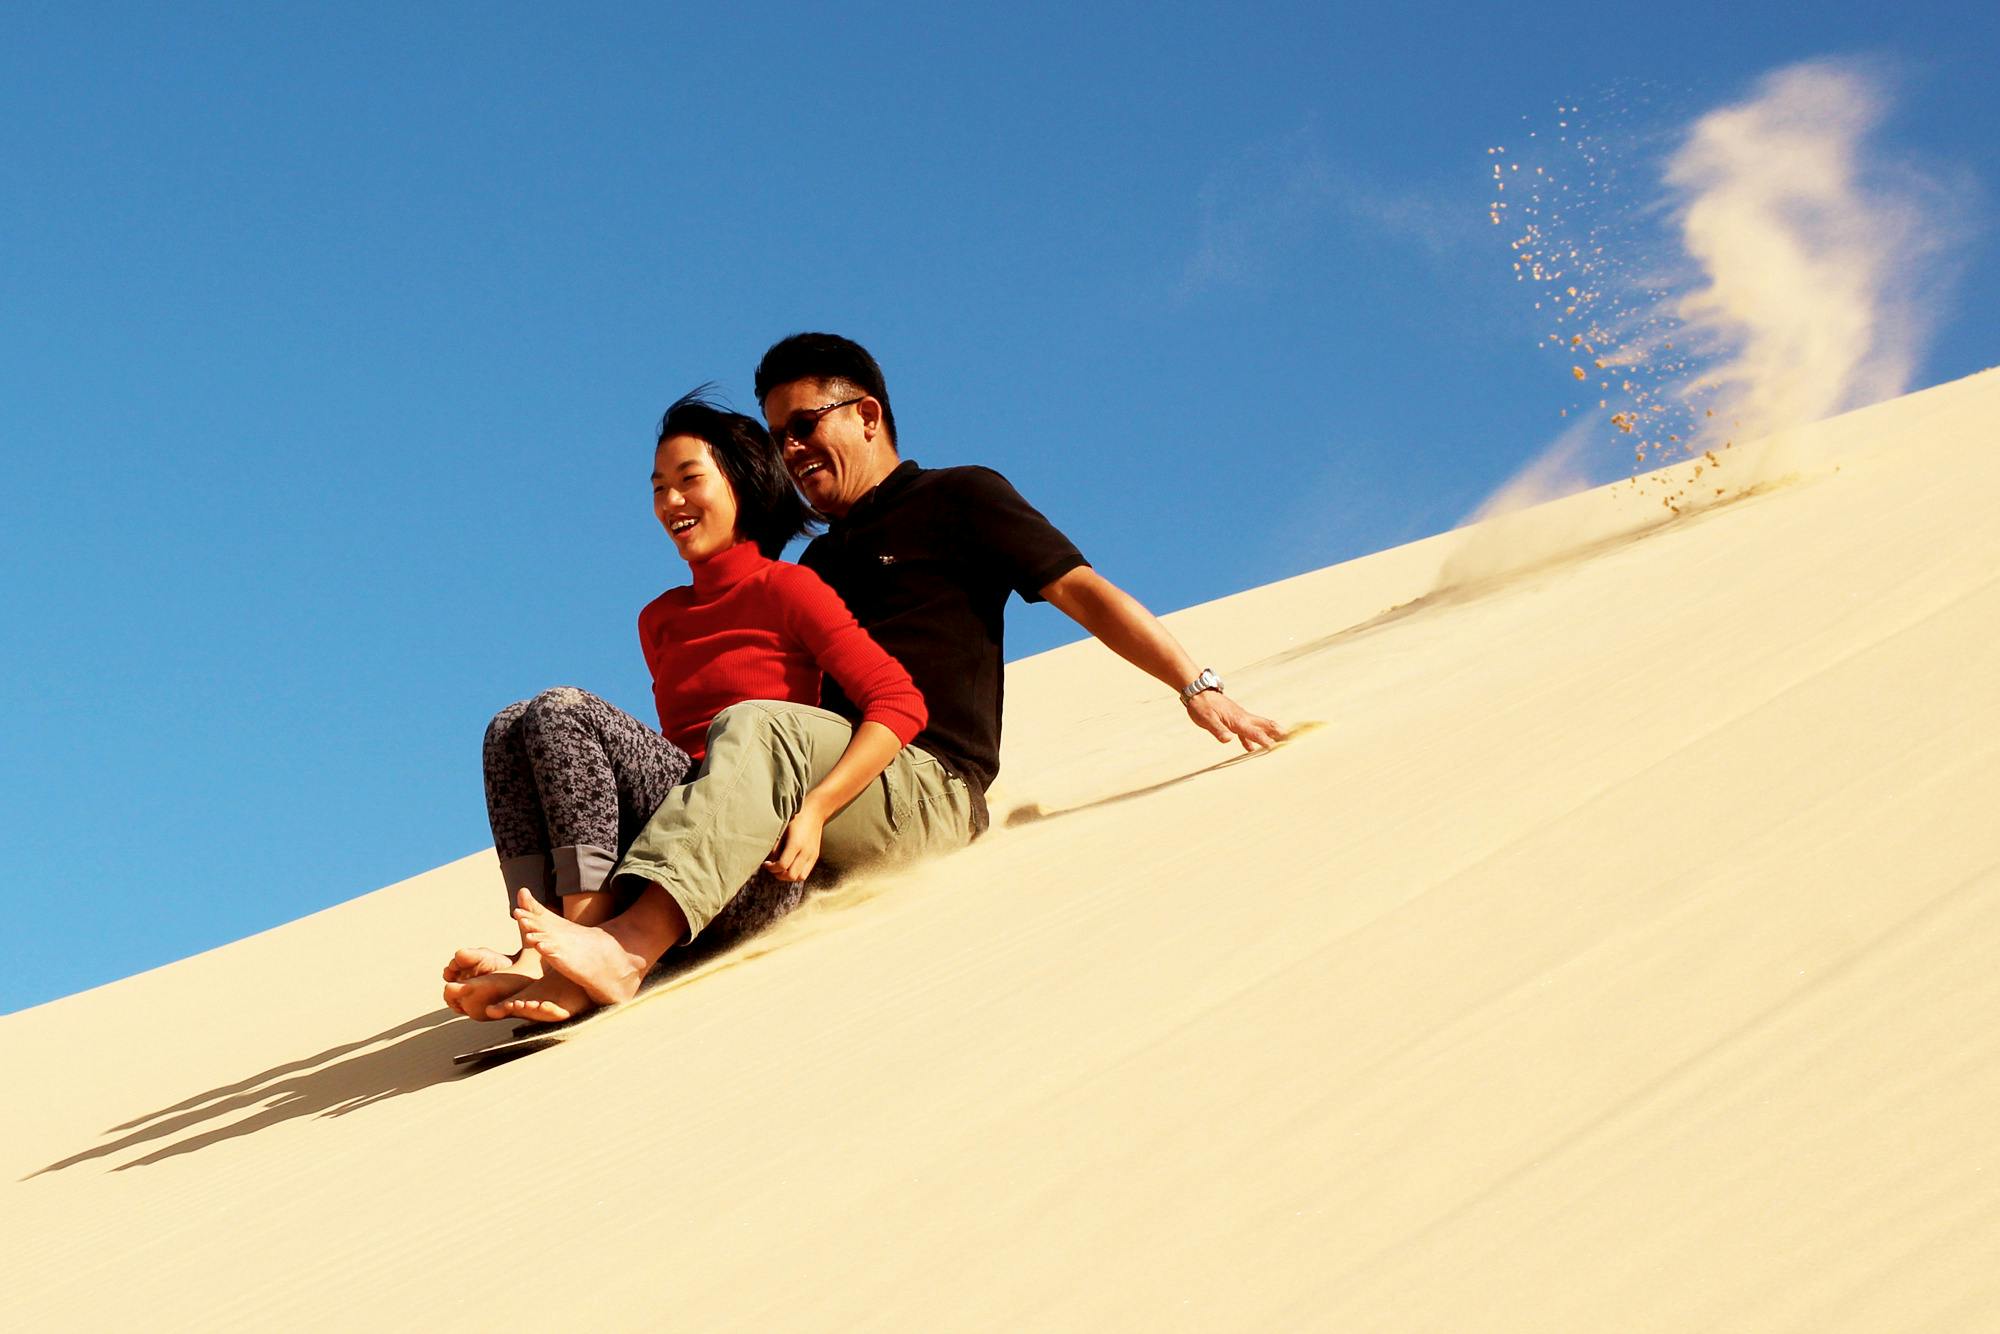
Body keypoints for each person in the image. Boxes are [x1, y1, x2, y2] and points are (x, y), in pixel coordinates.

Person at [502, 334, 1285, 1015]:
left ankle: (628, 948)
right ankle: (567, 948)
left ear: (867, 415)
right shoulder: (814, 563)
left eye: (804, 426)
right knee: (540, 725)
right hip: (825, 794)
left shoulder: (959, 497)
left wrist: (1195, 684)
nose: (791, 450)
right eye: (777, 438)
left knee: (756, 724)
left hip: (929, 788)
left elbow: (1080, 590)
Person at [442, 389, 928, 1024]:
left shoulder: (790, 588)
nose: (670, 501)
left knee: (563, 711)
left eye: (689, 479)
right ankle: (542, 943)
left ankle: (582, 955)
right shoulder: (660, 619)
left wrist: (817, 808)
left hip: (754, 860)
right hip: (678, 854)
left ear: (743, 485)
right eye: (658, 488)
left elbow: (897, 702)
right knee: (510, 726)